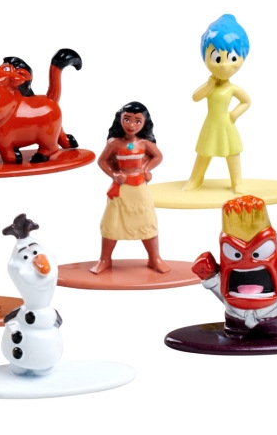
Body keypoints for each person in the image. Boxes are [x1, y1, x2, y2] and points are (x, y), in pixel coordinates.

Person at [91, 101, 170, 274]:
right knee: (111, 222)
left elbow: (158, 156)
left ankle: (154, 258)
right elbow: (102, 161)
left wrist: (146, 169)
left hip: (139, 187)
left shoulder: (144, 143)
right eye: (127, 119)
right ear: (120, 119)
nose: (131, 125)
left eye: (137, 121)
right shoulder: (114, 143)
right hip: (121, 188)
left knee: (147, 221)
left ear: (144, 123)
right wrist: (114, 174)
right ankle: (105, 259)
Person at [184, 14, 250, 191]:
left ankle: (237, 182)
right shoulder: (211, 86)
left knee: (232, 152)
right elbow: (196, 97)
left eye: (233, 58)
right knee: (204, 152)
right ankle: (195, 179)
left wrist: (234, 114)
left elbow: (246, 101)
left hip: (227, 125)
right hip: (211, 124)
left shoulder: (232, 88)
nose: (224, 65)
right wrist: (208, 85)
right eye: (217, 58)